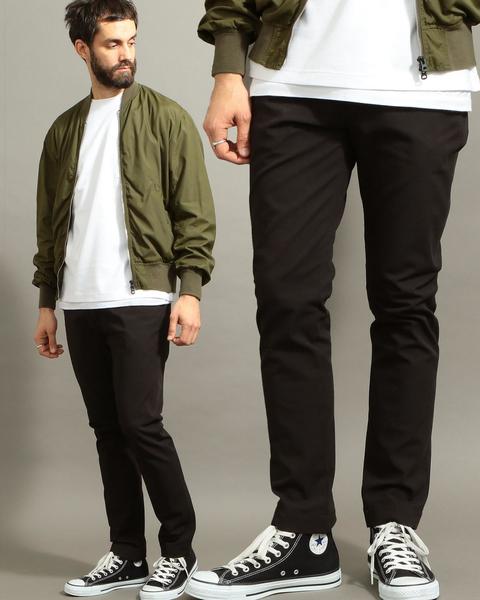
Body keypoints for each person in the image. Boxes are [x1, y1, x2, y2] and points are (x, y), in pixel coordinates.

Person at [189, 2, 480, 600]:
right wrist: (228, 67)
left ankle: (395, 524)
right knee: (286, 299)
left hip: (422, 90)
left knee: (406, 303)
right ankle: (303, 528)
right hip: (290, 84)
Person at [31, 1, 215, 597]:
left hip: (142, 295)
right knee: (108, 431)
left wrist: (190, 291)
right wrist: (47, 302)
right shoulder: (64, 131)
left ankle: (178, 550)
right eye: (112, 44)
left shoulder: (166, 118)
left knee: (141, 425)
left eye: (131, 41)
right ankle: (127, 553)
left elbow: (194, 214)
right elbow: (49, 225)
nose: (126, 54)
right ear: (82, 49)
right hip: (80, 302)